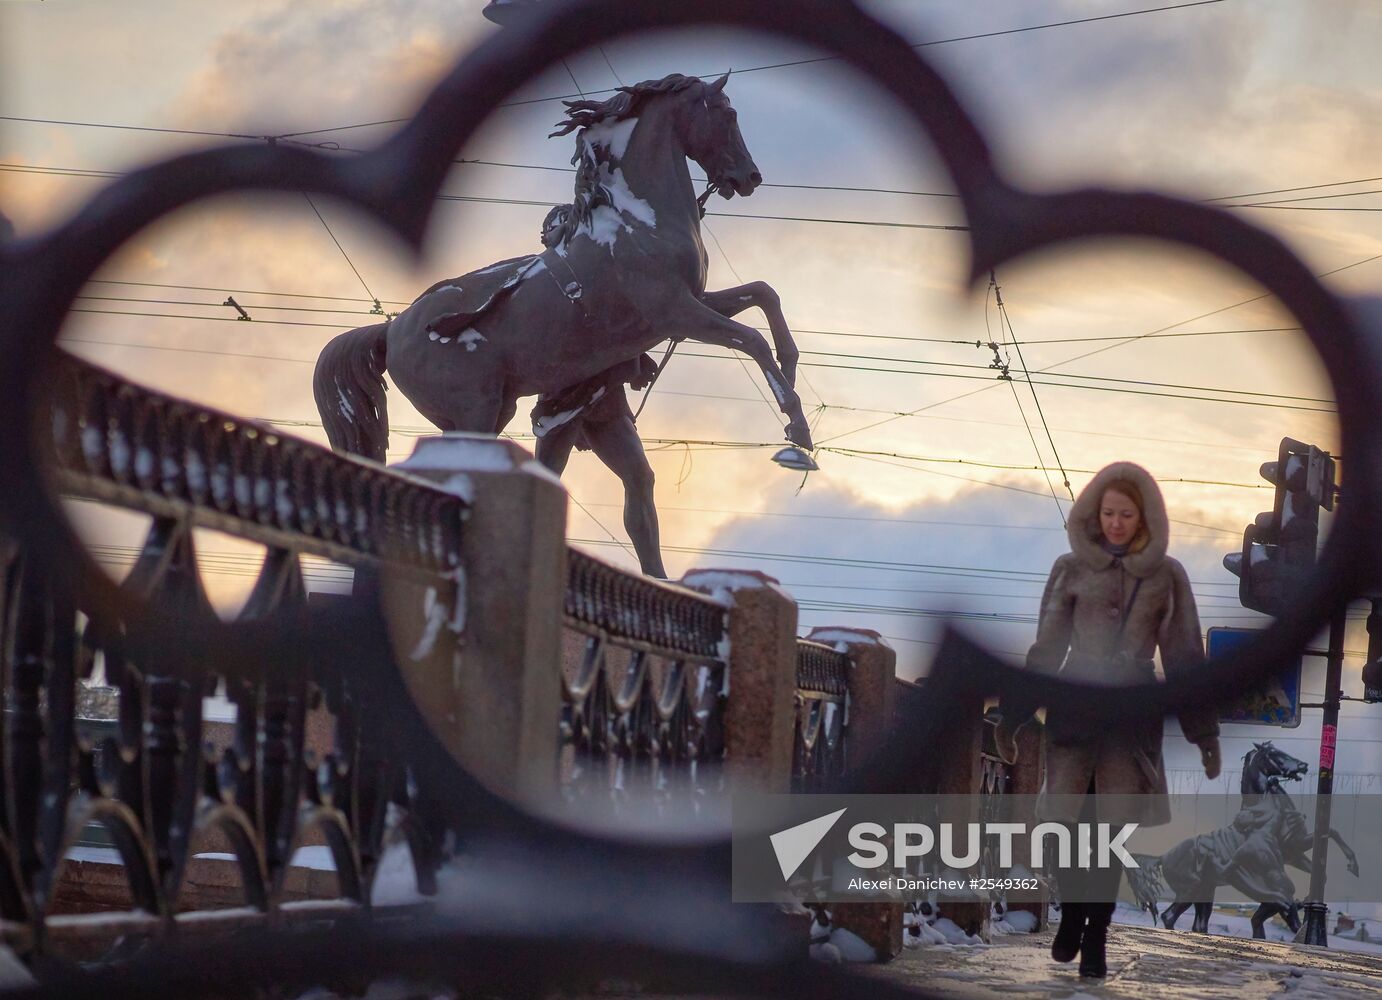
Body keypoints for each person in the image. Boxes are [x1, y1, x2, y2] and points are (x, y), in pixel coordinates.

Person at [995, 461, 1222, 978]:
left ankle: (1096, 930)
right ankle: (1072, 914)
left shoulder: (1167, 576)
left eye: (1127, 514)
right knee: (1069, 829)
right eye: (1109, 512)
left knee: (1110, 833)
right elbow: (1047, 647)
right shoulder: (1070, 568)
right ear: (1095, 514)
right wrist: (1012, 714)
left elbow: (1186, 657)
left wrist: (1204, 733)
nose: (1117, 522)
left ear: (1145, 518)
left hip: (1132, 715)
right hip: (1075, 707)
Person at [530, 205, 667, 578]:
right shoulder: (543, 277)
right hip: (564, 395)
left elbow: (616, 326)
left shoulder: (601, 274)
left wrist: (639, 357)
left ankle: (655, 574)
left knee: (640, 476)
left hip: (605, 396)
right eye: (559, 231)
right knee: (543, 483)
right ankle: (530, 558)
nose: (567, 236)